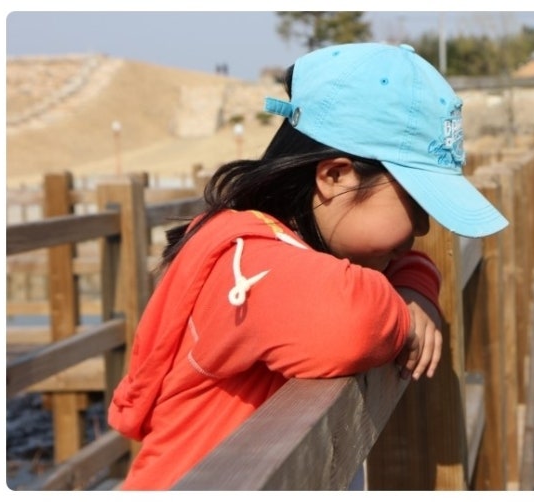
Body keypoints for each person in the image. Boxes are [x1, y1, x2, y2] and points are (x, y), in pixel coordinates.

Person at [108, 42, 508, 490]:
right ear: (334, 176)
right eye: (417, 202)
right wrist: (405, 316)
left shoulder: (297, 250)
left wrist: (414, 292)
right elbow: (353, 322)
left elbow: (414, 260)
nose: (422, 227)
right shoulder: (250, 260)